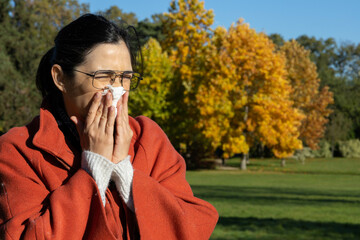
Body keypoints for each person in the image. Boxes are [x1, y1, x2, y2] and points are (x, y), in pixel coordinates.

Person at [0, 14, 218, 239]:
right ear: (60, 78)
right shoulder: (17, 149)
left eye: (125, 77)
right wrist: (94, 168)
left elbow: (194, 225)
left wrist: (126, 175)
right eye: (104, 76)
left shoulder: (149, 139)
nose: (117, 90)